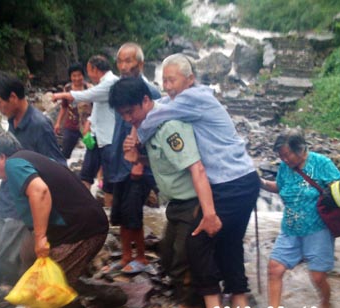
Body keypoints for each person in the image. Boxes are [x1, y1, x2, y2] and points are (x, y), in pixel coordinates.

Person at [109, 74, 259, 307]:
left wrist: (208, 213)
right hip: (176, 203)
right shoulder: (147, 125)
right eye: (123, 115)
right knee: (168, 256)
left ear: (146, 100)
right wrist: (138, 157)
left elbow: (196, 168)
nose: (129, 119)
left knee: (185, 258)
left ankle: (193, 302)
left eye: (131, 112)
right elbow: (166, 162)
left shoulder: (168, 126)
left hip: (194, 201)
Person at [0, 130, 126, 308]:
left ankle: (101, 297)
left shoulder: (13, 165)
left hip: (85, 231)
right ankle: (101, 294)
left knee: (49, 290)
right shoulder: (27, 158)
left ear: (1, 157)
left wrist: (40, 238)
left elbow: (40, 191)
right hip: (83, 224)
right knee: (32, 256)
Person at [0, 72, 66, 308]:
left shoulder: (39, 125)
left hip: (21, 206)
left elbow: (57, 166)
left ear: (13, 97)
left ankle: (8, 300)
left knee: (1, 258)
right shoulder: (13, 122)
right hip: (5, 201)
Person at [260, 129, 340, 308]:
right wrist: (262, 183)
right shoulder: (284, 168)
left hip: (318, 228)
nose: (284, 160)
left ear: (299, 149)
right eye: (281, 156)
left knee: (318, 276)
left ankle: (326, 303)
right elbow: (279, 187)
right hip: (290, 228)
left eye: (287, 155)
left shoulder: (322, 163)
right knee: (274, 269)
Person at [103, 42, 161, 274]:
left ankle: (141, 257)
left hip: (140, 165)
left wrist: (139, 161)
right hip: (119, 160)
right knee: (120, 212)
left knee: (133, 211)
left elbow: (153, 128)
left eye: (129, 61)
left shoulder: (149, 93)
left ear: (141, 64)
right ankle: (126, 256)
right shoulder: (118, 90)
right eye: (121, 61)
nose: (124, 66)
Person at [52, 55, 118, 207]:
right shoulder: (102, 83)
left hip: (109, 140)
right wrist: (90, 122)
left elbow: (88, 96)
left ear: (94, 69)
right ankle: (85, 211)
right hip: (95, 137)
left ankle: (109, 218)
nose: (87, 75)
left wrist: (60, 95)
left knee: (108, 182)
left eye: (88, 71)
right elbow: (99, 106)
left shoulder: (111, 82)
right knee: (86, 175)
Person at [54, 62, 92, 159]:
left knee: (92, 150)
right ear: (70, 77)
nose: (77, 78)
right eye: (74, 76)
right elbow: (64, 107)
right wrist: (58, 123)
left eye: (79, 75)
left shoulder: (89, 88)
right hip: (70, 126)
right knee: (65, 152)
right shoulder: (67, 88)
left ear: (83, 75)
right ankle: (63, 171)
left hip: (87, 127)